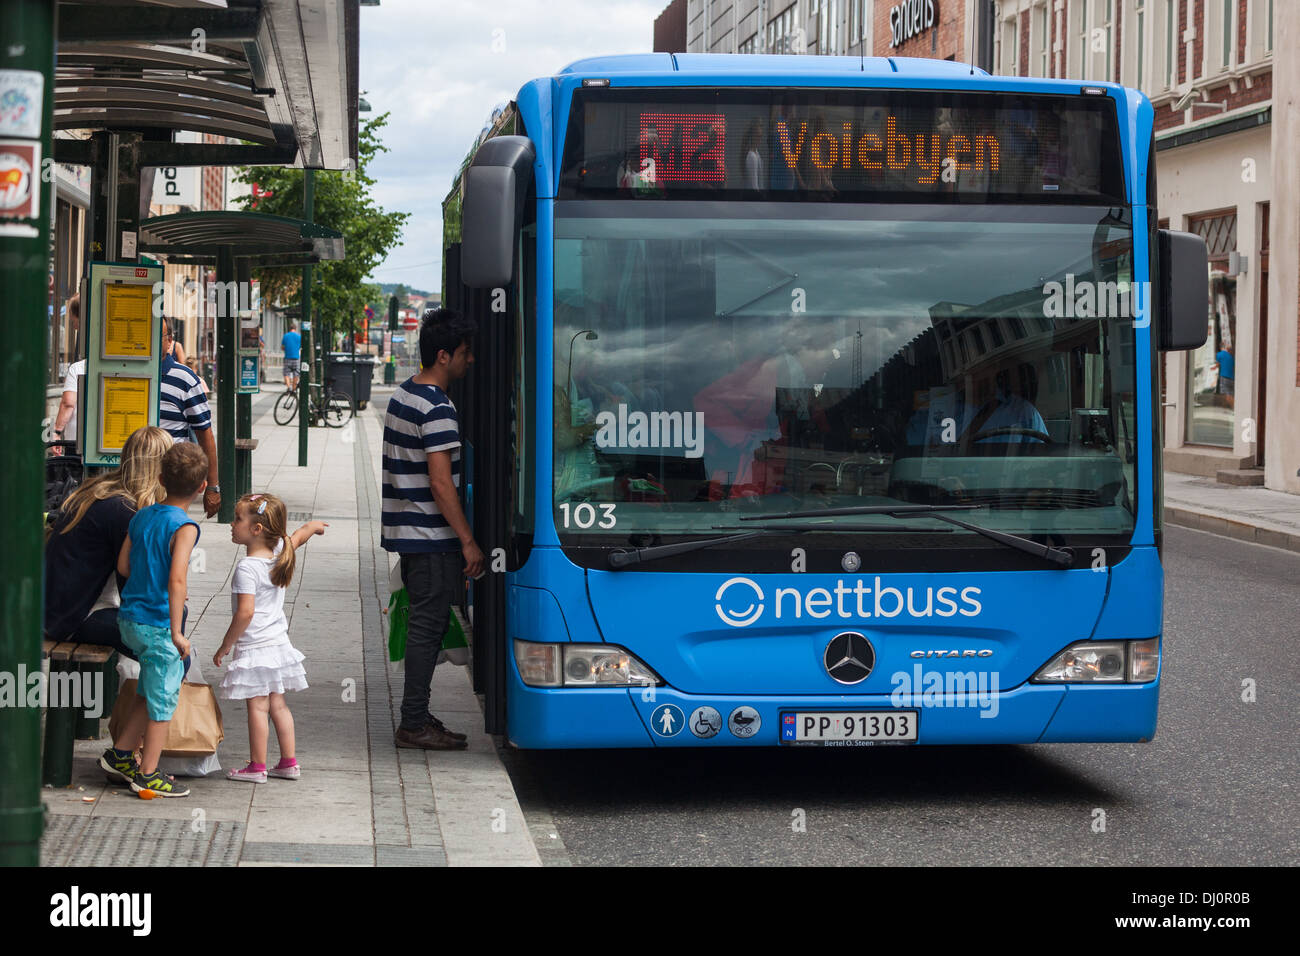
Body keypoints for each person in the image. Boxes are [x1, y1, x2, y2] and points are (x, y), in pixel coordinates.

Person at [381, 307, 484, 750]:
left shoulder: (404, 394)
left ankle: (417, 716)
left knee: (426, 622)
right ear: (443, 356)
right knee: (428, 625)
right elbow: (441, 483)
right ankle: (414, 721)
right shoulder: (438, 407)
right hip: (431, 535)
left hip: (409, 532)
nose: (470, 360)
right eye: (464, 353)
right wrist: (468, 541)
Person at [98, 441, 208, 797]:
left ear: (161, 478)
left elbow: (124, 566)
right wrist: (177, 632)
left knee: (148, 692)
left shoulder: (142, 514)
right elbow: (177, 579)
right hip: (160, 625)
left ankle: (121, 754)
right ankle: (147, 774)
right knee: (163, 704)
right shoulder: (186, 526)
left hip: (129, 619)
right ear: (203, 485)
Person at [213, 493, 327, 783]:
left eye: (238, 519)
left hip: (255, 647)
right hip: (278, 645)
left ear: (256, 530)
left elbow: (245, 613)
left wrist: (226, 645)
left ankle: (257, 766)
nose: (231, 523)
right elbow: (297, 538)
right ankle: (289, 762)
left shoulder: (246, 568)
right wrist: (312, 526)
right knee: (279, 705)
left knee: (258, 707)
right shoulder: (279, 550)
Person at [45, 426, 173, 655]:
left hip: (56, 609)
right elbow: (133, 591)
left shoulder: (98, 490)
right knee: (169, 651)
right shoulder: (126, 510)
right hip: (75, 617)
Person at [160, 315, 220, 518]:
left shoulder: (185, 379)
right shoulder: (123, 373)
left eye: (158, 335)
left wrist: (213, 486)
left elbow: (205, 434)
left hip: (169, 482)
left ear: (170, 341)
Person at [52, 295, 83, 456]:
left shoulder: (78, 368)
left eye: (74, 321)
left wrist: (57, 432)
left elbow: (68, 402)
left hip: (77, 443)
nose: (74, 327)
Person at [282, 322, 302, 392]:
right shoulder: (299, 336)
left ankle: (288, 387)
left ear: (289, 329)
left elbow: (282, 347)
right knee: (296, 374)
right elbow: (300, 347)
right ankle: (294, 388)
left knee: (286, 373)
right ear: (295, 329)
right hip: (296, 358)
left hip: (287, 357)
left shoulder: (285, 336)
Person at [1215, 343, 1235, 409]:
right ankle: (1231, 407)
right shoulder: (1230, 356)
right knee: (1231, 394)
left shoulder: (1219, 354)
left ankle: (1232, 407)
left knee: (1225, 394)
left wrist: (1214, 367)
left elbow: (1217, 365)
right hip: (1232, 378)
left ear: (1221, 347)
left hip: (1224, 376)